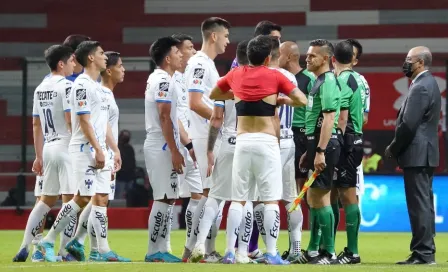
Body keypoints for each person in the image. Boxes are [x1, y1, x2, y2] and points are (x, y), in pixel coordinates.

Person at [210, 34, 307, 265]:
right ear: (267, 58)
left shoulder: (235, 74)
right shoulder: (274, 76)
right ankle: (272, 253)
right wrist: (280, 100)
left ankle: (230, 252)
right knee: (271, 200)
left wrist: (239, 94)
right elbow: (302, 100)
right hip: (266, 143)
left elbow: (214, 94)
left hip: (242, 142)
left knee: (237, 200)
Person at [37, 41, 129, 262]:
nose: (104, 57)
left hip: (99, 150)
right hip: (82, 149)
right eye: (100, 53)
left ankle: (99, 250)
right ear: (90, 58)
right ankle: (47, 241)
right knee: (83, 197)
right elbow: (84, 122)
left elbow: (103, 123)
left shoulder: (97, 87)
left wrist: (114, 150)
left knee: (100, 199)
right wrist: (98, 149)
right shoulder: (81, 85)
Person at [189, 40, 253, 264]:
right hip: (249, 142)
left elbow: (216, 119)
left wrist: (209, 150)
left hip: (227, 142)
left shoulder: (225, 82)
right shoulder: (260, 82)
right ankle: (236, 251)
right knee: (244, 200)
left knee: (214, 196)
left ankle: (199, 245)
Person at [13, 45, 76, 262]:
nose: (73, 65)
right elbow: (69, 119)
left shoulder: (40, 88)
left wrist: (38, 156)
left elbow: (36, 125)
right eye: (71, 61)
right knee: (72, 200)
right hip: (66, 146)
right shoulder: (66, 86)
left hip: (48, 147)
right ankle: (62, 250)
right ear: (61, 63)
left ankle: (25, 246)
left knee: (45, 200)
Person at [66, 51, 125, 261]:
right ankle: (93, 247)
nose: (124, 69)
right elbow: (93, 124)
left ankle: (83, 243)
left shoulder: (106, 93)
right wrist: (107, 150)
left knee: (98, 200)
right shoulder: (99, 91)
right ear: (108, 70)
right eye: (120, 65)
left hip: (107, 152)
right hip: (99, 152)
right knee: (97, 199)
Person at [385, 46, 440, 265]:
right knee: (424, 204)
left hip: (417, 153)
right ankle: (426, 250)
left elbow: (408, 125)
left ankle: (424, 253)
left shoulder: (421, 87)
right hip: (424, 153)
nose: (405, 63)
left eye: (409, 59)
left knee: (419, 205)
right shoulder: (428, 83)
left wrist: (394, 147)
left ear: (420, 63)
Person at [183, 17, 231, 262]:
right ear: (214, 36)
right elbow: (194, 102)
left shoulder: (208, 64)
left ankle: (199, 249)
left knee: (212, 192)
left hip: (208, 133)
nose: (227, 41)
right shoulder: (200, 63)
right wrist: (217, 118)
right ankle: (196, 249)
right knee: (208, 192)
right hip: (204, 134)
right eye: (225, 36)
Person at [298, 39, 341, 265]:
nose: (307, 58)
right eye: (307, 54)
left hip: (326, 144)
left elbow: (329, 118)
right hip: (316, 144)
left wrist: (321, 151)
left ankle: (329, 253)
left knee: (321, 198)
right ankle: (314, 250)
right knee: (313, 198)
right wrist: (310, 150)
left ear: (325, 58)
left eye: (313, 55)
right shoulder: (317, 81)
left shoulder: (328, 82)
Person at [144, 36, 184, 263]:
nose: (181, 56)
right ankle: (153, 251)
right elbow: (164, 115)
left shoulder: (163, 78)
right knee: (162, 198)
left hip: (164, 143)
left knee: (169, 198)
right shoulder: (162, 80)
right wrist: (174, 150)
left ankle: (160, 248)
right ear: (168, 58)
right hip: (161, 144)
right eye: (177, 52)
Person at [267, 37, 303, 263]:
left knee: (266, 198)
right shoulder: (291, 77)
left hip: (274, 140)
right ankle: (296, 247)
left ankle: (269, 249)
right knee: (290, 197)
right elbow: (302, 101)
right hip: (291, 140)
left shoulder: (271, 76)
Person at [332, 41, 367, 264]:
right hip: (356, 138)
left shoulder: (343, 80)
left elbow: (342, 117)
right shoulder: (360, 80)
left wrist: (336, 141)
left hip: (347, 140)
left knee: (347, 195)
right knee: (338, 194)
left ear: (332, 59)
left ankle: (352, 252)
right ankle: (336, 249)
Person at [170, 33, 202, 258]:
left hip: (192, 143)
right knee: (168, 197)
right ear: (178, 52)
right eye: (190, 48)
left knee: (198, 194)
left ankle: (190, 246)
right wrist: (187, 143)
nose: (194, 51)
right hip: (179, 145)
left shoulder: (187, 77)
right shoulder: (169, 79)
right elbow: (173, 117)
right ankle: (163, 247)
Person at [116, 130, 136, 197]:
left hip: (130, 176)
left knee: (130, 196)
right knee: (119, 196)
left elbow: (133, 162)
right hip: (120, 177)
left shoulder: (129, 148)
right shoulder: (117, 147)